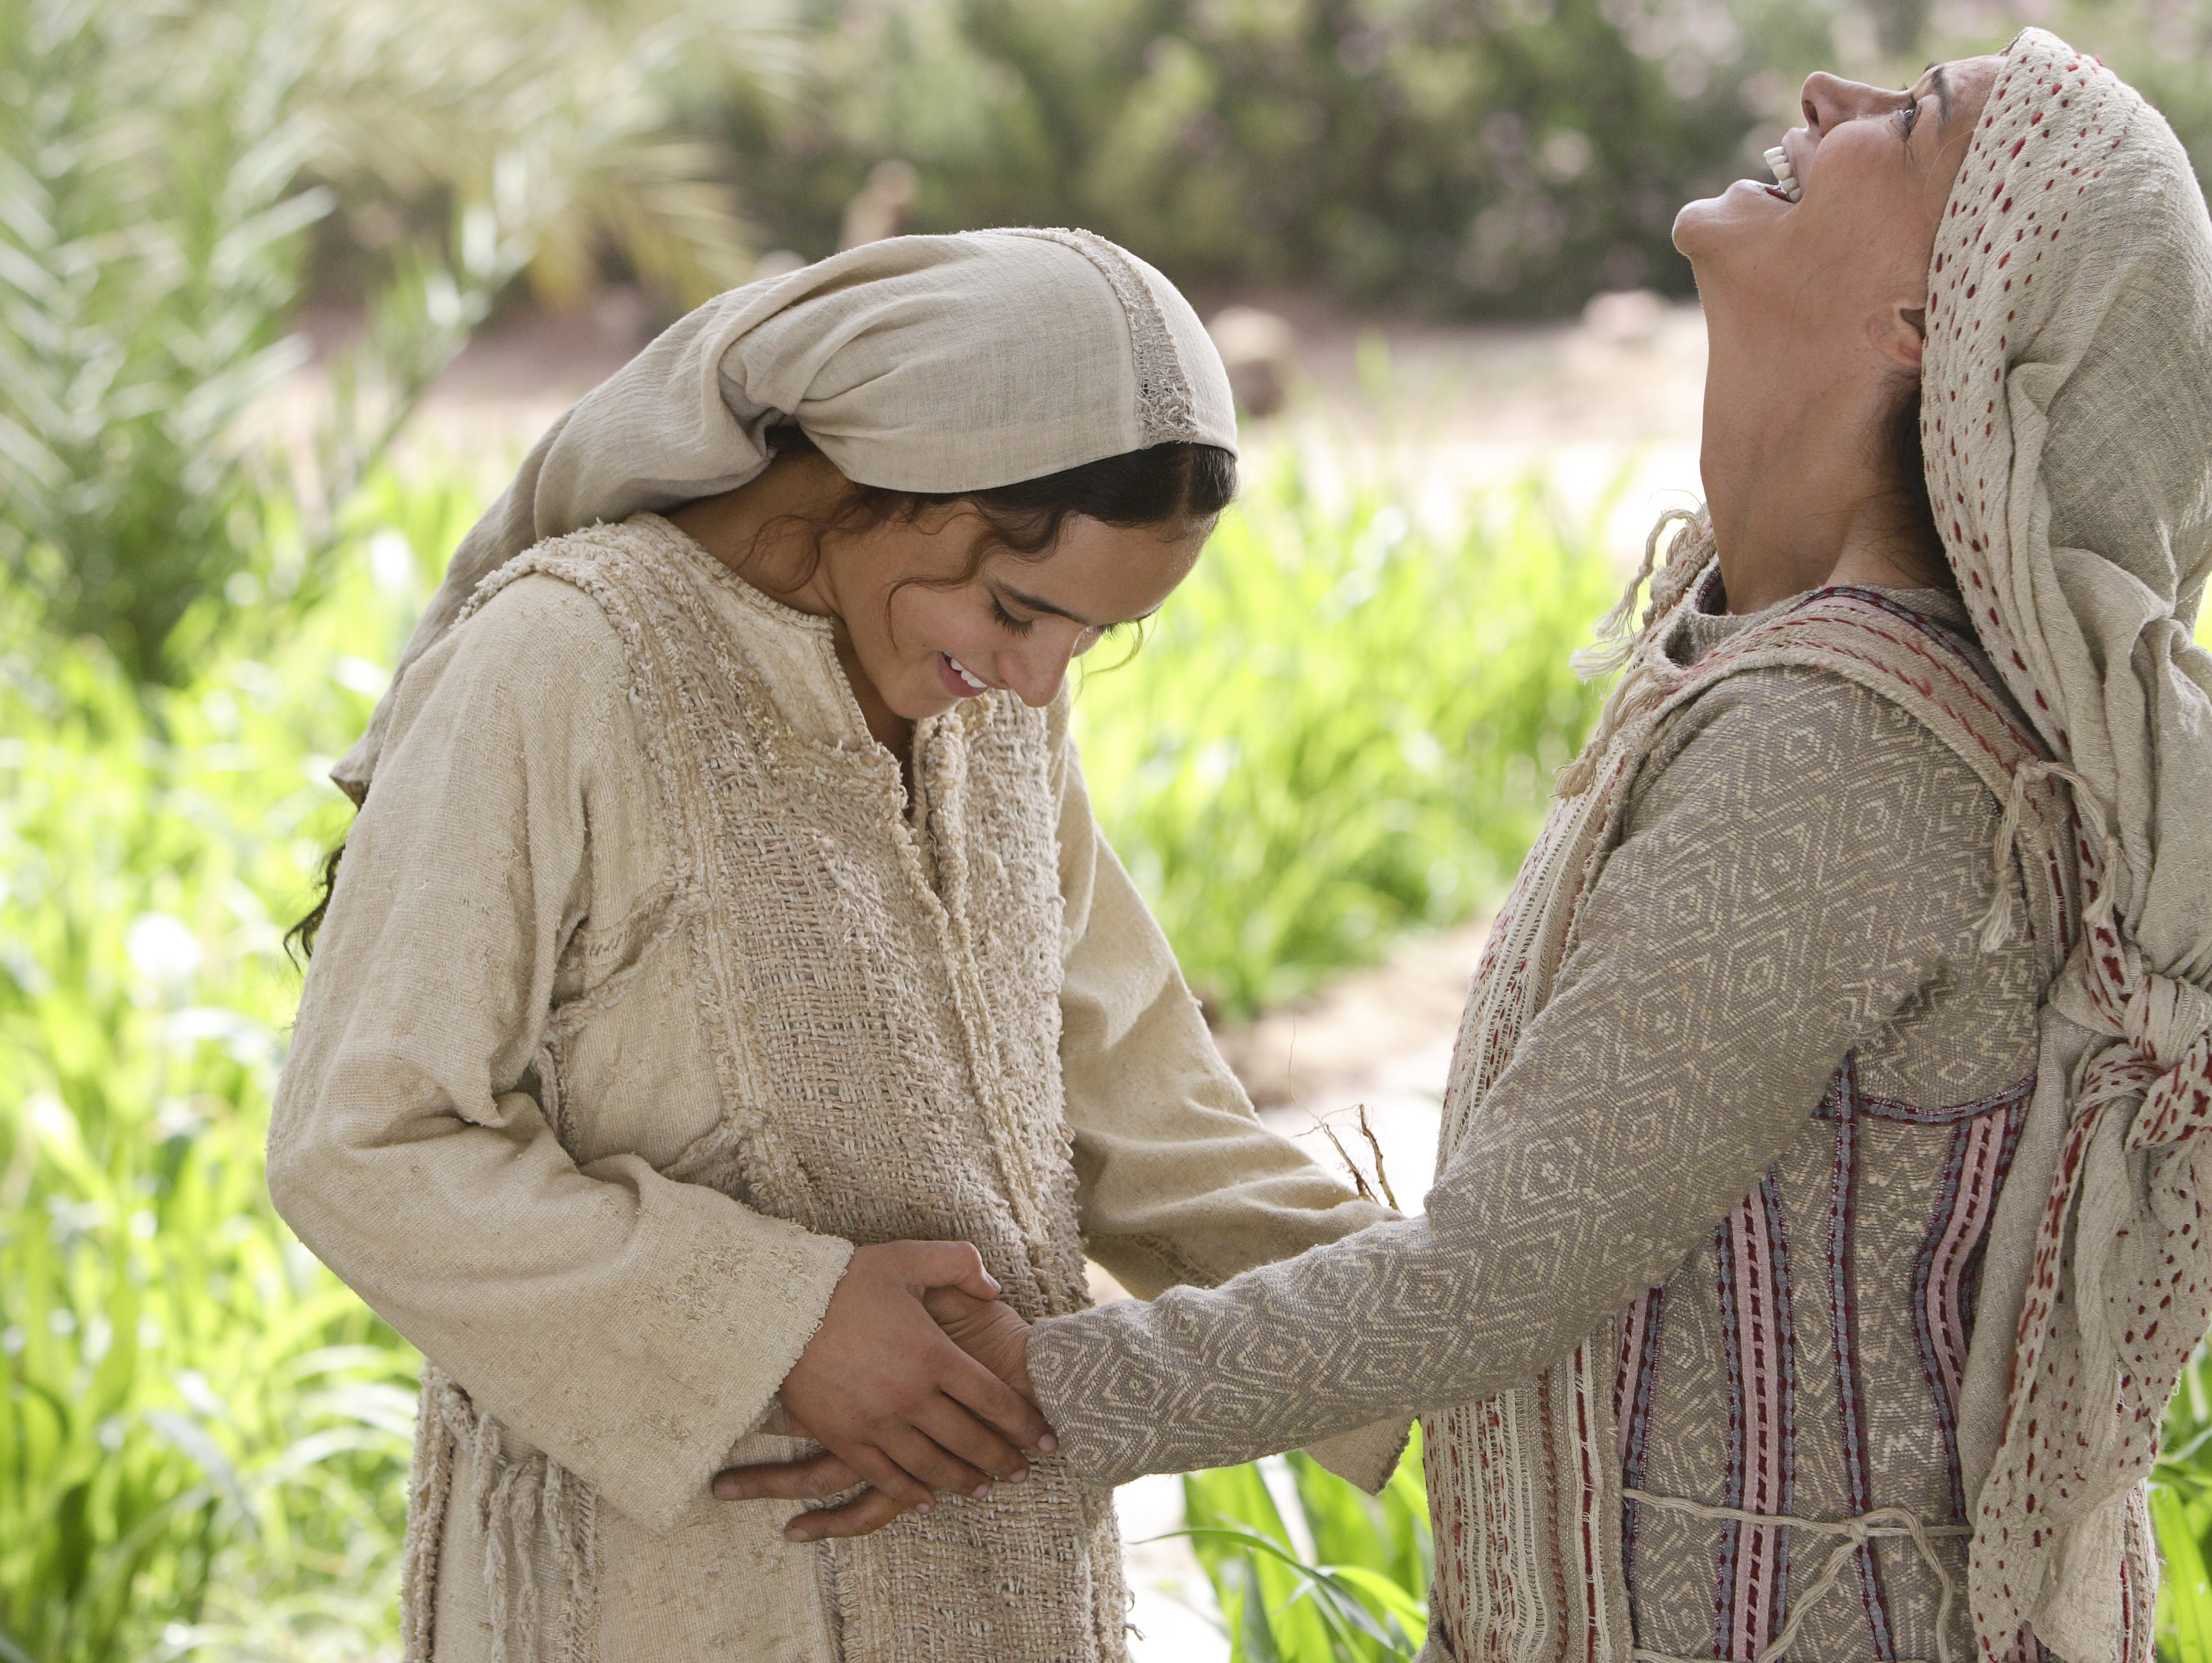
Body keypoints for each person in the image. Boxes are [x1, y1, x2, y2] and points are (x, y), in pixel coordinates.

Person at [724, 30, 2212, 1663]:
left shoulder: (1847, 751)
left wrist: (988, 1399)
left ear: (1934, 319)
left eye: (1920, 122)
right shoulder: (1776, 664)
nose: (1832, 99)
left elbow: (1493, 1274)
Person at [268, 229, 1398, 1663]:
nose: (1039, 679)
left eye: (1094, 639)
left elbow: (1145, 1120)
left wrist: (1471, 1314)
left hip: (997, 1580)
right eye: (1019, 607)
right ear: (881, 475)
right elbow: (362, 1140)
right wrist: (779, 1324)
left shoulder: (988, 704)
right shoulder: (565, 659)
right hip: (664, 1599)